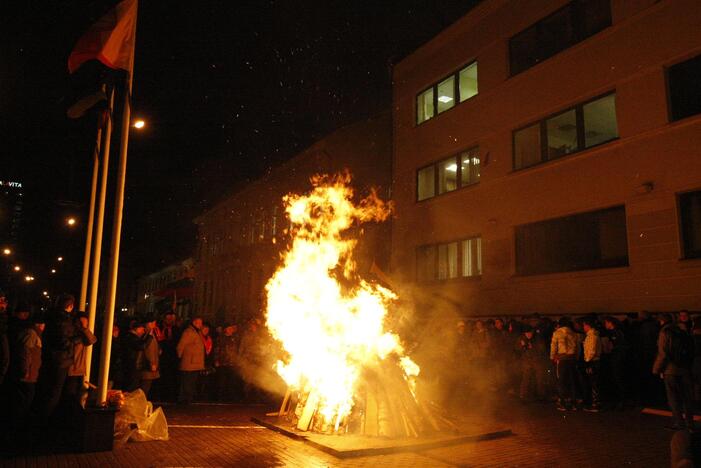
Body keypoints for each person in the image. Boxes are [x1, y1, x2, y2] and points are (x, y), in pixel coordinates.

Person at [36, 293, 79, 420]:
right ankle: (45, 418)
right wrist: (76, 339)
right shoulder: (63, 320)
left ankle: (45, 416)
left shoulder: (52, 317)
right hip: (60, 359)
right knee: (55, 391)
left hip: (52, 357)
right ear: (70, 306)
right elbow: (63, 341)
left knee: (51, 389)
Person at [653, 313, 695, 431]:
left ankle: (678, 423)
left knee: (674, 398)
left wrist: (657, 369)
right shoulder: (683, 331)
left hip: (670, 369)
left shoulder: (665, 332)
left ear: (661, 321)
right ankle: (690, 423)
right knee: (687, 397)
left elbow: (663, 353)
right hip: (685, 368)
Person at [9, 312, 45, 434]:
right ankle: (17, 427)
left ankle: (19, 425)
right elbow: (25, 353)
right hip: (28, 376)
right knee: (24, 401)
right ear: (40, 324)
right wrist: (25, 371)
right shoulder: (31, 334)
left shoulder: (33, 333)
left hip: (31, 375)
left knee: (25, 400)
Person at [64, 312, 97, 404]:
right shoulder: (72, 333)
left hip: (79, 369)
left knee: (77, 395)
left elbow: (92, 340)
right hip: (71, 369)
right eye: (82, 322)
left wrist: (85, 329)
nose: (85, 324)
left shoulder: (83, 333)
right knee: (70, 396)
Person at [550, 316, 579, 411]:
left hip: (561, 359)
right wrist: (576, 358)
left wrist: (552, 356)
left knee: (561, 380)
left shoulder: (557, 333)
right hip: (572, 359)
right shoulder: (574, 334)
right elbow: (577, 347)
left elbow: (553, 346)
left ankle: (562, 401)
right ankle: (573, 401)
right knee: (572, 380)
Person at [177, 316, 205, 404]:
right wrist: (180, 357)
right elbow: (181, 345)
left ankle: (188, 398)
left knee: (191, 381)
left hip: (194, 362)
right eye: (199, 323)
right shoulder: (189, 332)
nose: (201, 325)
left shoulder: (197, 332)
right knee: (187, 381)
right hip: (189, 362)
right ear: (194, 323)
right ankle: (184, 399)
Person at [604, 316, 629, 410]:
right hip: (618, 358)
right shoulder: (619, 332)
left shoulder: (616, 333)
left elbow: (617, 345)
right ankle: (621, 400)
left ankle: (621, 400)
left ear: (610, 323)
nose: (605, 325)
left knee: (618, 378)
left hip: (617, 358)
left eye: (606, 323)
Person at [517, 325, 548, 402]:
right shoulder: (521, 339)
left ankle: (541, 395)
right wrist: (523, 346)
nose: (529, 335)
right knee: (526, 378)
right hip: (527, 361)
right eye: (527, 333)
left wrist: (533, 347)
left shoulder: (537, 338)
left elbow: (542, 350)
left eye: (530, 333)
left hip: (537, 361)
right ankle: (523, 395)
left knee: (539, 378)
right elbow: (517, 349)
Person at [214, 323, 241, 402]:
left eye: (231, 329)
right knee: (222, 381)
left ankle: (230, 397)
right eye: (229, 328)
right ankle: (220, 397)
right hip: (223, 362)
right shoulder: (221, 338)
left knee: (231, 381)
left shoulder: (235, 338)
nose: (231, 330)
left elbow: (237, 350)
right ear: (225, 329)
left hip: (232, 362)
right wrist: (216, 360)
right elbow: (216, 349)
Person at [581, 318, 602, 412]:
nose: (583, 327)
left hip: (592, 362)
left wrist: (588, 361)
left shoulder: (592, 336)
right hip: (594, 361)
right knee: (594, 382)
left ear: (588, 325)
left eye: (584, 325)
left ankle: (595, 404)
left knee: (594, 383)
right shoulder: (593, 335)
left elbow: (592, 350)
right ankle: (595, 402)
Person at [121, 321, 147, 392]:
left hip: (130, 365)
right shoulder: (132, 338)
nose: (143, 332)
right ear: (137, 329)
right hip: (132, 365)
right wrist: (148, 337)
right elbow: (141, 346)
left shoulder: (129, 337)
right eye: (142, 329)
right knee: (131, 386)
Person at [140, 317, 160, 397]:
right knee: (145, 386)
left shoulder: (151, 334)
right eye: (154, 323)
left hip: (151, 363)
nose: (155, 325)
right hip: (149, 365)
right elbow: (148, 350)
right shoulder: (147, 335)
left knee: (147, 386)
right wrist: (152, 363)